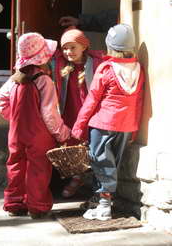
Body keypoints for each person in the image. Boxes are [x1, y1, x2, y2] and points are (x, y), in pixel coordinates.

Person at [72, 24, 145, 220]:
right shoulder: (138, 69)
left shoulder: (106, 69)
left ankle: (104, 206)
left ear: (110, 46)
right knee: (111, 164)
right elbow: (138, 102)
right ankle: (99, 202)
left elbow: (92, 100)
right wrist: (135, 129)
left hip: (103, 124)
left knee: (100, 162)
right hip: (125, 127)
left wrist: (79, 126)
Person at [0, 32, 71, 219]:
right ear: (43, 57)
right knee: (38, 169)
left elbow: (0, 100)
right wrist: (63, 134)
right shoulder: (44, 80)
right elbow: (49, 113)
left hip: (17, 132)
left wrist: (14, 118)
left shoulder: (14, 79)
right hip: (39, 135)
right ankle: (37, 207)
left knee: (15, 165)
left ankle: (14, 203)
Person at [53, 26, 105, 198]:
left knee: (90, 145)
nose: (68, 52)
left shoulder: (95, 62)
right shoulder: (62, 63)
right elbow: (47, 51)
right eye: (65, 48)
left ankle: (83, 179)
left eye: (73, 47)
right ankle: (76, 176)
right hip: (70, 111)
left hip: (90, 111)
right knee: (74, 144)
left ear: (84, 46)